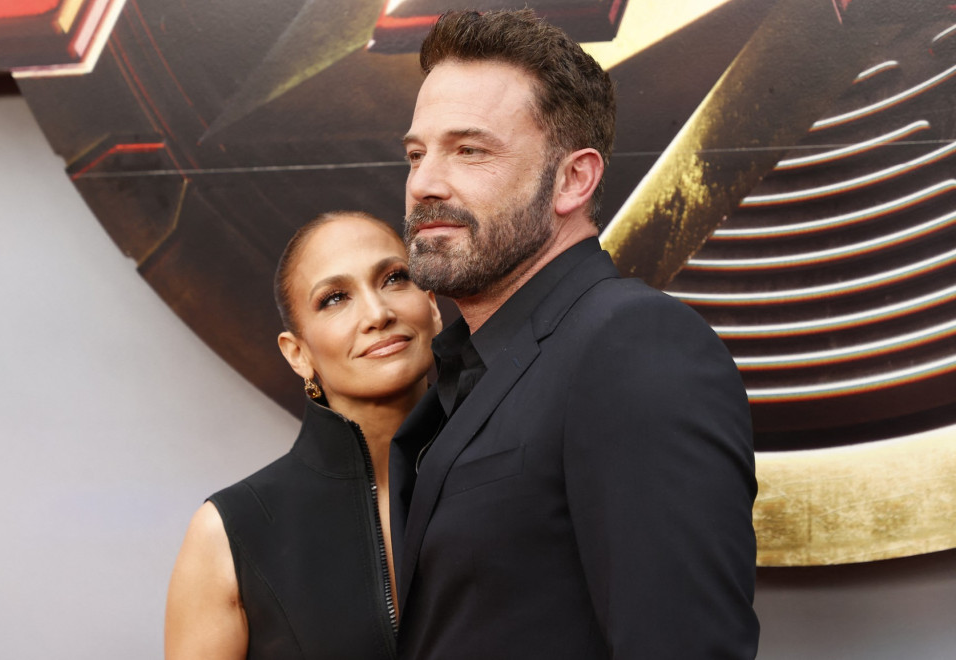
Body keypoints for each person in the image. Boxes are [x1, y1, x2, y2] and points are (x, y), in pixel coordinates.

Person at [390, 9, 759, 659]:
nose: (424, 184)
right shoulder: (467, 372)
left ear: (573, 179)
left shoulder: (634, 345)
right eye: (417, 154)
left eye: (469, 150)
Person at [164, 211, 442, 659]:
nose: (377, 314)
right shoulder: (230, 533)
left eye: (394, 279)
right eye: (334, 298)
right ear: (298, 354)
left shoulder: (517, 470)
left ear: (431, 304)